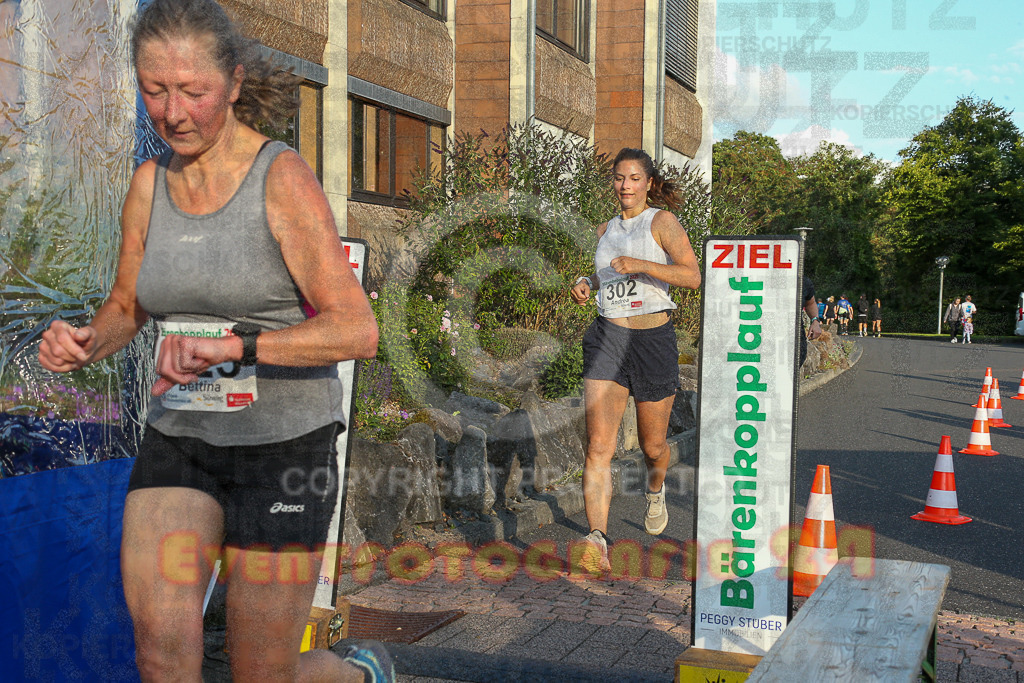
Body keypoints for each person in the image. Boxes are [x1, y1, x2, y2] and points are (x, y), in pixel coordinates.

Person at [38, 1, 390, 681]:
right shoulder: (150, 185)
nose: (173, 112)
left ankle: (359, 673)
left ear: (232, 83)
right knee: (161, 655)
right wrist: (86, 340)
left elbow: (357, 328)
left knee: (261, 672)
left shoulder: (280, 178)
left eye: (192, 91)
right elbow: (127, 307)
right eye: (155, 90)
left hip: (284, 449)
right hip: (181, 437)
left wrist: (241, 347)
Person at [568, 148, 700, 571]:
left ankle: (655, 489)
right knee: (598, 446)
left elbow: (692, 276)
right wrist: (586, 282)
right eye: (619, 178)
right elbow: (608, 275)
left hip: (652, 340)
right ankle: (597, 539)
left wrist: (641, 265)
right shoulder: (605, 229)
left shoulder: (662, 222)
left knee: (653, 446)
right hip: (607, 338)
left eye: (634, 178)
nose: (625, 185)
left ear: (648, 183)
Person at [801, 278, 823, 366]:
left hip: (794, 337)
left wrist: (815, 321)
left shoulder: (802, 281)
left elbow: (810, 303)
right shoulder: (762, 276)